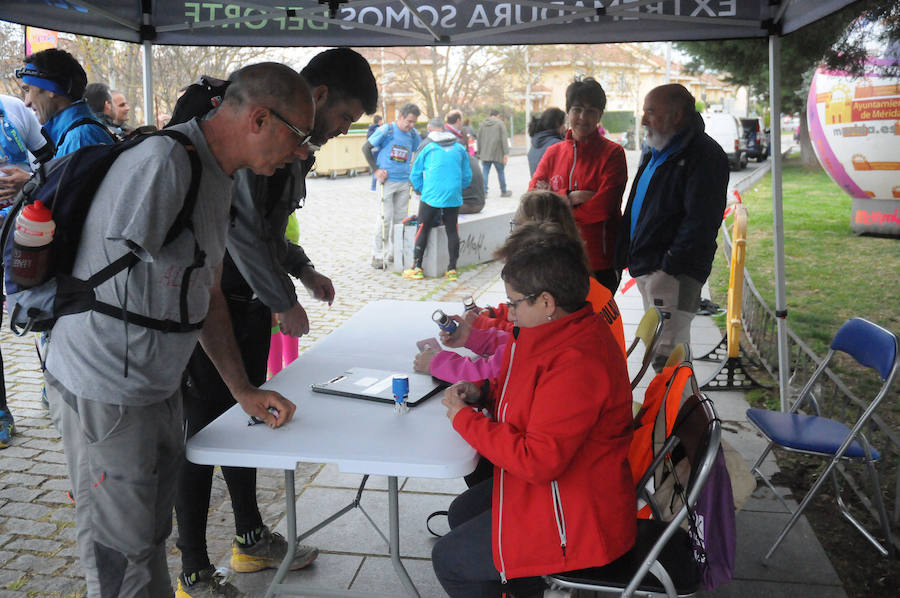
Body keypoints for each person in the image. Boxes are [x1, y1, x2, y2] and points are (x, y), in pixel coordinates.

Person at [42, 62, 314, 598]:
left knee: (148, 536)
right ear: (259, 118)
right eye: (299, 136)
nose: (302, 152)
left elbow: (204, 292)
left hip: (154, 384)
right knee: (122, 551)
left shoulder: (218, 175)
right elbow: (108, 278)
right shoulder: (166, 163)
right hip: (105, 386)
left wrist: (241, 390)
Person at [174, 49, 377, 597]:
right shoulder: (261, 138)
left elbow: (267, 228)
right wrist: (283, 298)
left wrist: (303, 270)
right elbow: (237, 230)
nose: (339, 132)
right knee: (202, 434)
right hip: (208, 309)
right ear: (318, 97)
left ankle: (249, 537)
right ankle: (192, 568)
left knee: (249, 415)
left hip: (243, 304)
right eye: (344, 120)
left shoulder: (293, 147)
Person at [431, 240, 636, 597]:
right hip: (565, 488)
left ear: (546, 302)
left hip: (578, 516)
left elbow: (536, 461)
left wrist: (466, 419)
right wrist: (483, 393)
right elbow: (525, 391)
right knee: (463, 512)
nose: (508, 312)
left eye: (514, 302)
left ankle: (524, 575)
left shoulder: (578, 360)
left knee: (450, 560)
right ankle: (522, 583)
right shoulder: (550, 332)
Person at [616, 83, 728, 370]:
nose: (643, 120)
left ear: (676, 115)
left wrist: (668, 266)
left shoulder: (704, 155)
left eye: (650, 112)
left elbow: (701, 222)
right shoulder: (658, 149)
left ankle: (679, 414)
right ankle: (674, 413)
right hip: (651, 269)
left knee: (668, 358)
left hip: (672, 274)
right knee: (659, 351)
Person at [529, 77, 627, 294]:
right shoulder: (553, 153)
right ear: (568, 112)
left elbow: (603, 208)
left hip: (599, 262)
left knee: (597, 324)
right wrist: (571, 197)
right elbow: (533, 201)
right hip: (556, 257)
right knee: (561, 324)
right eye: (577, 109)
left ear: (600, 115)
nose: (583, 117)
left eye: (591, 110)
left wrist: (553, 202)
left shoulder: (613, 154)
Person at [0, 93, 54, 449]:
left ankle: (55, 382)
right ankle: (2, 414)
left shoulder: (13, 108)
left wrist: (28, 177)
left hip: (24, 231)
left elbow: (53, 160)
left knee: (39, 309)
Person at [403, 117, 472, 281]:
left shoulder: (429, 148)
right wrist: (457, 188)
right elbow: (467, 175)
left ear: (431, 131)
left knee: (423, 228)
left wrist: (421, 189)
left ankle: (417, 267)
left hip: (431, 194)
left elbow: (415, 173)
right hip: (453, 195)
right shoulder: (459, 148)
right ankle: (452, 270)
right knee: (452, 230)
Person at [16, 49, 115, 155]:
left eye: (27, 90)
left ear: (51, 89)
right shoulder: (77, 133)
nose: (26, 103)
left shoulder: (80, 138)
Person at [362, 102, 421, 269]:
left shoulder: (413, 134)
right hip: (387, 181)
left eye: (414, 122)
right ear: (400, 117)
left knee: (401, 220)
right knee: (385, 219)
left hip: (404, 182)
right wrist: (376, 170)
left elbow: (419, 150)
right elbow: (366, 148)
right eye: (409, 121)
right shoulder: (386, 130)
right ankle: (378, 255)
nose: (411, 125)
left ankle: (396, 253)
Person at [476, 108, 511, 197]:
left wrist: (479, 152)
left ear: (490, 115)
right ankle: (503, 191)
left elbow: (478, 139)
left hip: (485, 153)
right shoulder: (500, 124)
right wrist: (506, 153)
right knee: (500, 172)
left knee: (485, 172)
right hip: (498, 154)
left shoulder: (482, 124)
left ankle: (484, 192)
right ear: (497, 115)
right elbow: (504, 139)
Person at [526, 107, 565, 175]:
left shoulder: (534, 144)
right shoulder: (558, 145)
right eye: (564, 124)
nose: (565, 128)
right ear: (557, 123)